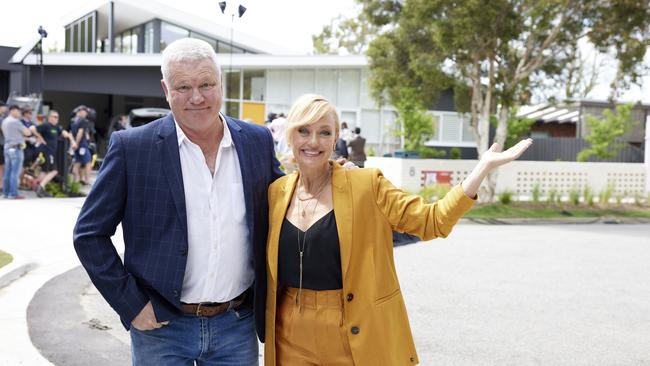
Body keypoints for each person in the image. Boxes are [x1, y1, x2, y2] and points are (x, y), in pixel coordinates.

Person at [263, 94, 533, 366]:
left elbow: (432, 220)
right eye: (303, 131)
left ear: (335, 139)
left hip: (349, 330)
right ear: (290, 135)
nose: (313, 141)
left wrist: (482, 168)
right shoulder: (277, 192)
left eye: (324, 132)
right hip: (289, 334)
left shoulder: (365, 184)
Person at [73, 38, 283, 366]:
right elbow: (89, 234)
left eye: (206, 84)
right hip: (161, 329)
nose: (196, 97)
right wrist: (131, 305)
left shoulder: (256, 142)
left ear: (220, 83)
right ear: (165, 88)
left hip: (236, 324)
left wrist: (334, 178)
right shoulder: (132, 148)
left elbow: (292, 204)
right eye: (183, 86)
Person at [34, 110, 77, 197]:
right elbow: (32, 129)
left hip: (51, 152)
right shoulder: (46, 125)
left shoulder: (57, 127)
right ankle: (41, 187)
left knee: (44, 171)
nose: (56, 118)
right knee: (54, 171)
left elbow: (65, 133)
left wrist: (72, 141)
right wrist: (40, 138)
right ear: (49, 117)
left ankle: (38, 187)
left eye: (57, 117)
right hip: (46, 151)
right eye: (54, 116)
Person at [2, 105, 37, 199]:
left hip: (7, 147)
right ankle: (13, 193)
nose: (19, 114)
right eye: (18, 111)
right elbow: (27, 133)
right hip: (16, 148)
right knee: (15, 172)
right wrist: (31, 129)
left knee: (7, 172)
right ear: (13, 110)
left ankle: (6, 192)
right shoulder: (15, 121)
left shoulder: (5, 121)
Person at [70, 106, 92, 184]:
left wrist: (73, 143)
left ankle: (76, 181)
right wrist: (76, 143)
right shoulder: (83, 121)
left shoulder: (73, 121)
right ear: (81, 112)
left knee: (77, 162)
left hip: (76, 146)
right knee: (88, 162)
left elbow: (71, 133)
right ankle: (87, 180)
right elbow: (80, 132)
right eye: (85, 112)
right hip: (82, 145)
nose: (86, 113)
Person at [0, 102, 8, 191]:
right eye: (4, 107)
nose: (5, 109)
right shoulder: (1, 119)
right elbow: (5, 131)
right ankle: (1, 186)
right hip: (1, 145)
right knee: (1, 167)